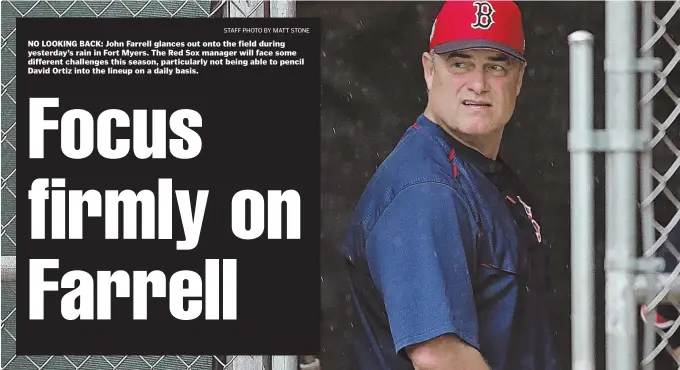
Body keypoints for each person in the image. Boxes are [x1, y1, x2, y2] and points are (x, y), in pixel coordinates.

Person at [341, 1, 558, 369]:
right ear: (429, 70)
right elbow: (438, 357)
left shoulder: (485, 174)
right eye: (460, 63)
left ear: (519, 78)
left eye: (496, 65)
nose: (478, 83)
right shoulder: (426, 190)